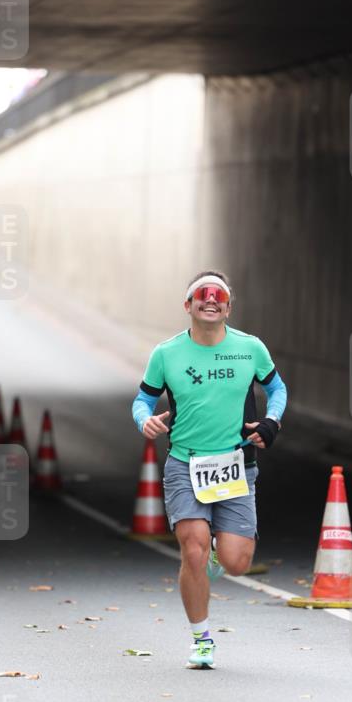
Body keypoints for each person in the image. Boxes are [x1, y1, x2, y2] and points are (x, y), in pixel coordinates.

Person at [131, 271, 287, 669]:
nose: (211, 300)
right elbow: (142, 400)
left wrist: (271, 421)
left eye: (219, 296)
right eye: (202, 295)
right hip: (185, 463)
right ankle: (201, 640)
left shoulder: (250, 348)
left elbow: (277, 389)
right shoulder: (166, 354)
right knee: (194, 547)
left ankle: (219, 555)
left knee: (236, 562)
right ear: (188, 305)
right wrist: (144, 420)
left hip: (235, 464)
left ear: (229, 307)